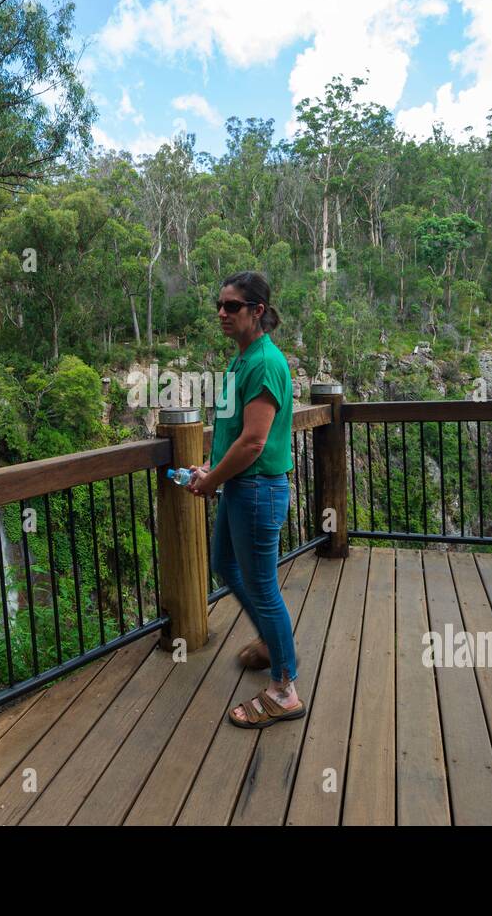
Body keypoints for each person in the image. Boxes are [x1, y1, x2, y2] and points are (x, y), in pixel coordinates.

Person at [186, 271, 304, 728]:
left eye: (232, 306)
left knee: (263, 588)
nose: (221, 313)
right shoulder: (243, 360)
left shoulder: (265, 363)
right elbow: (236, 434)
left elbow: (254, 442)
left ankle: (284, 690)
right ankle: (275, 647)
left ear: (257, 311)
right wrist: (211, 472)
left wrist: (212, 479)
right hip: (240, 485)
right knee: (226, 565)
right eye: (219, 305)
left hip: (256, 489)